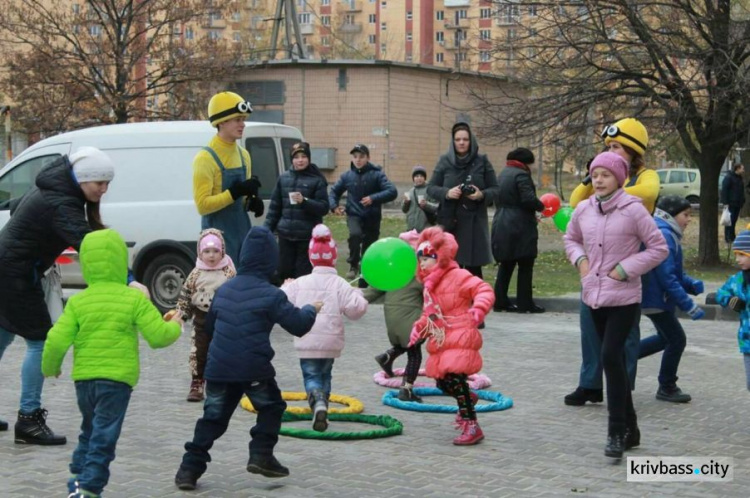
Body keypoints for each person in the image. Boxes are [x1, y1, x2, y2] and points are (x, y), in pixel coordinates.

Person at [0, 146, 149, 444]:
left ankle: (27, 418)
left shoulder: (53, 187)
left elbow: (17, 208)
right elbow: (93, 249)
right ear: (82, 179)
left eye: (108, 183)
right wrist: (129, 280)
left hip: (8, 265)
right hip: (15, 274)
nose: (104, 189)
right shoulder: (61, 202)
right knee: (40, 341)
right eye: (100, 183)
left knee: (2, 337)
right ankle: (28, 419)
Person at [175, 227, 322, 491]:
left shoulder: (224, 290)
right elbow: (299, 324)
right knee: (272, 407)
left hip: (219, 368)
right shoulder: (272, 294)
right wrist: (312, 308)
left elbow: (210, 328)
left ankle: (188, 470)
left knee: (213, 419)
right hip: (254, 368)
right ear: (270, 260)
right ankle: (261, 455)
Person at [41, 229, 183, 498]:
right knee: (104, 436)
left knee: (89, 429)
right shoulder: (133, 299)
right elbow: (158, 337)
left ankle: (78, 477)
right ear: (121, 261)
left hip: (84, 381)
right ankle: (90, 489)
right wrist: (175, 325)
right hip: (117, 380)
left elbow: (56, 339)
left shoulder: (78, 301)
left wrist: (51, 367)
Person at [564, 151, 668, 459]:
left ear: (619, 179)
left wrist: (626, 268)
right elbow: (571, 239)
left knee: (611, 356)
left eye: (605, 175)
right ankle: (632, 430)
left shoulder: (634, 210)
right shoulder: (583, 209)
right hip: (593, 296)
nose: (598, 180)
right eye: (595, 174)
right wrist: (580, 260)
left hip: (624, 298)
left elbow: (658, 247)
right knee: (616, 363)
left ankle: (616, 431)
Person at [564, 117, 660, 407]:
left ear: (632, 150)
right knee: (589, 322)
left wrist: (614, 192)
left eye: (617, 146)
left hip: (630, 254)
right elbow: (576, 200)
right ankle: (590, 383)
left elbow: (649, 193)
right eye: (608, 146)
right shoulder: (600, 178)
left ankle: (622, 384)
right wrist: (592, 178)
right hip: (596, 257)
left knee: (626, 328)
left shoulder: (644, 176)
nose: (611, 150)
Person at [408, 226, 495, 445]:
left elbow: (483, 289)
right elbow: (430, 314)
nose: (423, 264)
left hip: (460, 332)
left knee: (455, 377)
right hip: (442, 337)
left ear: (440, 257)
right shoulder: (430, 285)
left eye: (427, 258)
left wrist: (479, 308)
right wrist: (419, 328)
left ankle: (471, 425)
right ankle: (466, 397)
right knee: (442, 382)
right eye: (420, 260)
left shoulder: (458, 275)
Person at [281, 224, 368, 431]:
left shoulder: (300, 282)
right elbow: (356, 311)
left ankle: (318, 404)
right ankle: (323, 408)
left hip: (306, 339)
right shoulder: (340, 284)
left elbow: (280, 301)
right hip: (330, 342)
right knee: (325, 375)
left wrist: (285, 285)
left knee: (311, 375)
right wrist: (358, 294)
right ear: (334, 258)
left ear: (311, 257)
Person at [639, 196, 705, 403]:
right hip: (655, 299)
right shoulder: (665, 235)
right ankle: (667, 386)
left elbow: (672, 272)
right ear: (670, 215)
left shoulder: (666, 233)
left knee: (665, 338)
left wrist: (691, 284)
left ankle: (623, 355)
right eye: (686, 215)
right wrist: (688, 305)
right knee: (677, 339)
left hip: (657, 298)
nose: (689, 219)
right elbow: (666, 278)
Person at [193, 91, 263, 263]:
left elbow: (241, 200)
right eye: (238, 120)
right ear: (222, 122)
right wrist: (234, 192)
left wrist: (251, 202)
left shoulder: (244, 155)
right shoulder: (205, 158)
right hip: (215, 243)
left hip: (241, 234)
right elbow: (202, 206)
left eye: (243, 119)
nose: (243, 124)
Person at [427, 122, 500, 279]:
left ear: (471, 141)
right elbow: (431, 188)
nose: (461, 143)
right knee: (452, 268)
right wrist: (447, 193)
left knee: (474, 272)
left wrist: (481, 195)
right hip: (452, 223)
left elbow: (496, 189)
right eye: (458, 139)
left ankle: (476, 301)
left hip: (475, 223)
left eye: (465, 139)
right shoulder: (445, 161)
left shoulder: (482, 161)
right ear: (453, 142)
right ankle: (454, 302)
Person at [175, 229, 236, 402]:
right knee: (199, 351)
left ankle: (222, 383)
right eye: (207, 251)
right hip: (201, 319)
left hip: (223, 319)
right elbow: (186, 295)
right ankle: (197, 382)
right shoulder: (195, 274)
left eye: (216, 251)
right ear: (200, 252)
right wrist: (181, 314)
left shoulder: (228, 272)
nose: (211, 256)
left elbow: (236, 292)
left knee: (222, 351)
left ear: (222, 251)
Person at [365, 229, 426, 402]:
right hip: (410, 319)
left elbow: (374, 289)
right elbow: (432, 291)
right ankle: (406, 390)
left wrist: (354, 299)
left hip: (391, 319)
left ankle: (387, 356)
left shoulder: (391, 270)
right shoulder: (417, 273)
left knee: (408, 343)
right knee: (415, 354)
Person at [329, 144, 397, 286]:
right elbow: (334, 192)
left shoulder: (377, 174)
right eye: (355, 157)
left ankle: (364, 284)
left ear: (368, 158)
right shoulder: (347, 176)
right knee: (355, 234)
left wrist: (373, 198)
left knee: (368, 251)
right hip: (354, 215)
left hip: (372, 218)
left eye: (361, 157)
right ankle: (353, 263)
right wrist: (334, 206)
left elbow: (392, 191)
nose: (358, 160)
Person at [264, 141, 330, 281]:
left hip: (306, 237)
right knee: (283, 273)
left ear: (309, 158)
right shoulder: (283, 178)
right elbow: (275, 208)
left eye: (303, 156)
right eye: (296, 157)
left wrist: (305, 201)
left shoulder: (317, 180)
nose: (300, 160)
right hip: (285, 235)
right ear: (292, 159)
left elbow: (324, 207)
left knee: (302, 276)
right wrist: (266, 230)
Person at [491, 147, 545, 314]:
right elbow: (528, 198)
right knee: (525, 263)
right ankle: (525, 303)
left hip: (501, 221)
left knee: (506, 264)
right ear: (525, 162)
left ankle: (500, 301)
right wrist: (541, 206)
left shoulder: (503, 174)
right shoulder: (521, 174)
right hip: (520, 225)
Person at [716, 230, 750, 395]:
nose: (738, 259)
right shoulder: (737, 279)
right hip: (747, 340)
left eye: (742, 254)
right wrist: (730, 300)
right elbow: (721, 293)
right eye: (736, 254)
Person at [402, 165, 438, 233]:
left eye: (421, 176)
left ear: (425, 178)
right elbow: (404, 210)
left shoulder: (430, 190)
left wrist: (426, 205)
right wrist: (405, 203)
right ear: (413, 178)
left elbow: (437, 207)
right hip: (412, 230)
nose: (419, 178)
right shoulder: (410, 192)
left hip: (426, 229)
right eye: (416, 176)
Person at [721, 164, 745, 244]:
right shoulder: (729, 177)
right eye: (742, 169)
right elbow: (724, 190)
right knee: (729, 221)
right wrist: (725, 202)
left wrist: (742, 200)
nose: (743, 170)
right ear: (737, 169)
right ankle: (728, 237)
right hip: (730, 203)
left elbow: (740, 190)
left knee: (734, 220)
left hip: (737, 203)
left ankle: (732, 236)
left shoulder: (739, 178)